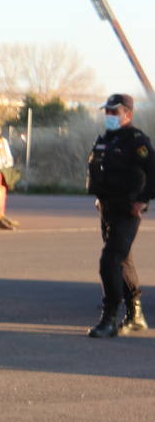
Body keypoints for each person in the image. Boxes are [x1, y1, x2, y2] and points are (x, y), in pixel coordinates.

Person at [85, 93, 154, 338]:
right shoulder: (105, 139)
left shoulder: (136, 140)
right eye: (108, 112)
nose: (110, 116)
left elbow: (152, 170)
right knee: (123, 260)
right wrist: (99, 196)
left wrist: (142, 199)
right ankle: (136, 316)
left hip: (127, 208)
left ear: (128, 114)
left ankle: (110, 317)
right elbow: (99, 169)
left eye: (115, 112)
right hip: (107, 207)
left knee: (110, 260)